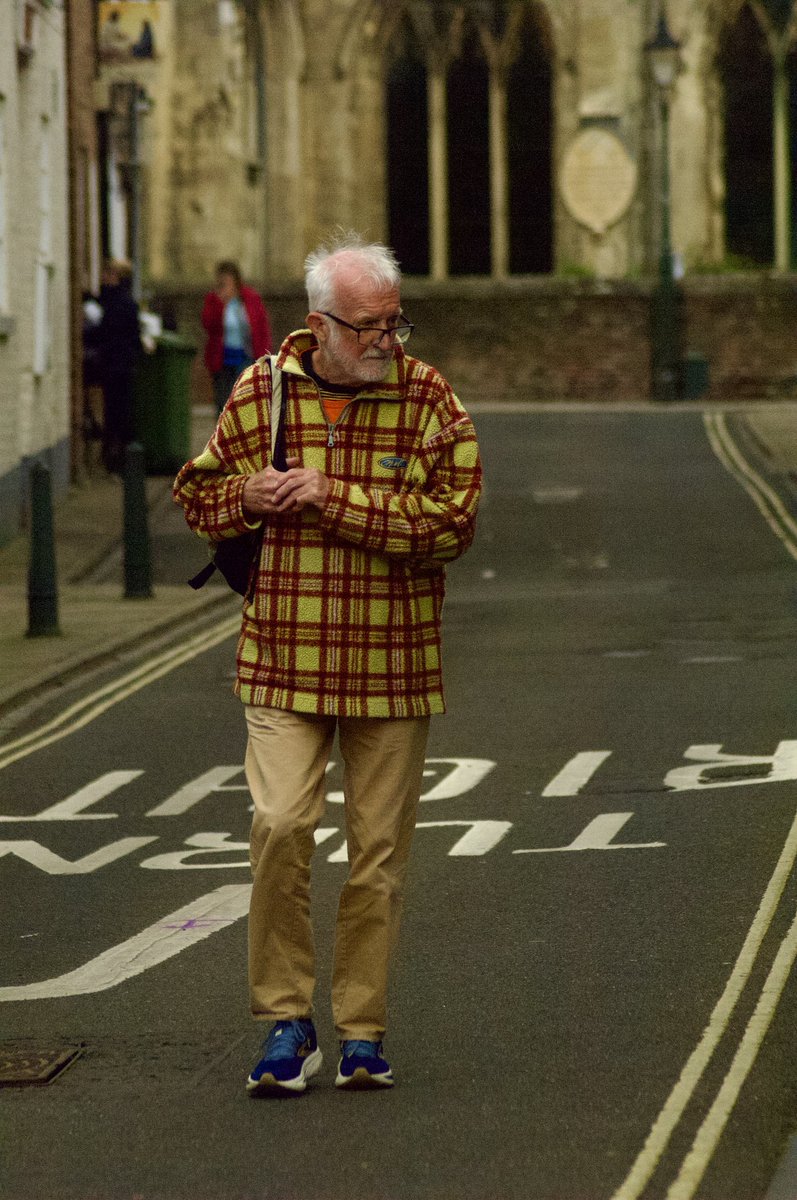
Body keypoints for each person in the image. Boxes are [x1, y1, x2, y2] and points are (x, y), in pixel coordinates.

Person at [174, 233, 482, 1095]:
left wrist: (330, 496)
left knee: (375, 854)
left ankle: (361, 1030)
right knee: (277, 827)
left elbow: (450, 526)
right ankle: (284, 1022)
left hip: (392, 660)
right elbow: (195, 491)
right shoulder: (260, 392)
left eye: (395, 322)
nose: (388, 340)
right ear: (321, 325)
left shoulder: (430, 401)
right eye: (369, 326)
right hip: (284, 652)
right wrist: (246, 494)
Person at [201, 261, 272, 414]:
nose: (225, 284)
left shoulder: (250, 298)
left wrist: (264, 355)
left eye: (228, 281)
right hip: (222, 359)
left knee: (244, 400)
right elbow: (208, 325)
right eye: (221, 281)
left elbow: (261, 327)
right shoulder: (214, 300)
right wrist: (221, 304)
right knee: (223, 402)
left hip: (245, 357)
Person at [96, 259, 141, 473]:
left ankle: (119, 461)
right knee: (119, 413)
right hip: (120, 365)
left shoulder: (117, 303)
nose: (104, 276)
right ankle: (120, 460)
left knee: (117, 415)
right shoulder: (121, 301)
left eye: (109, 272)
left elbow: (109, 333)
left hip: (116, 366)